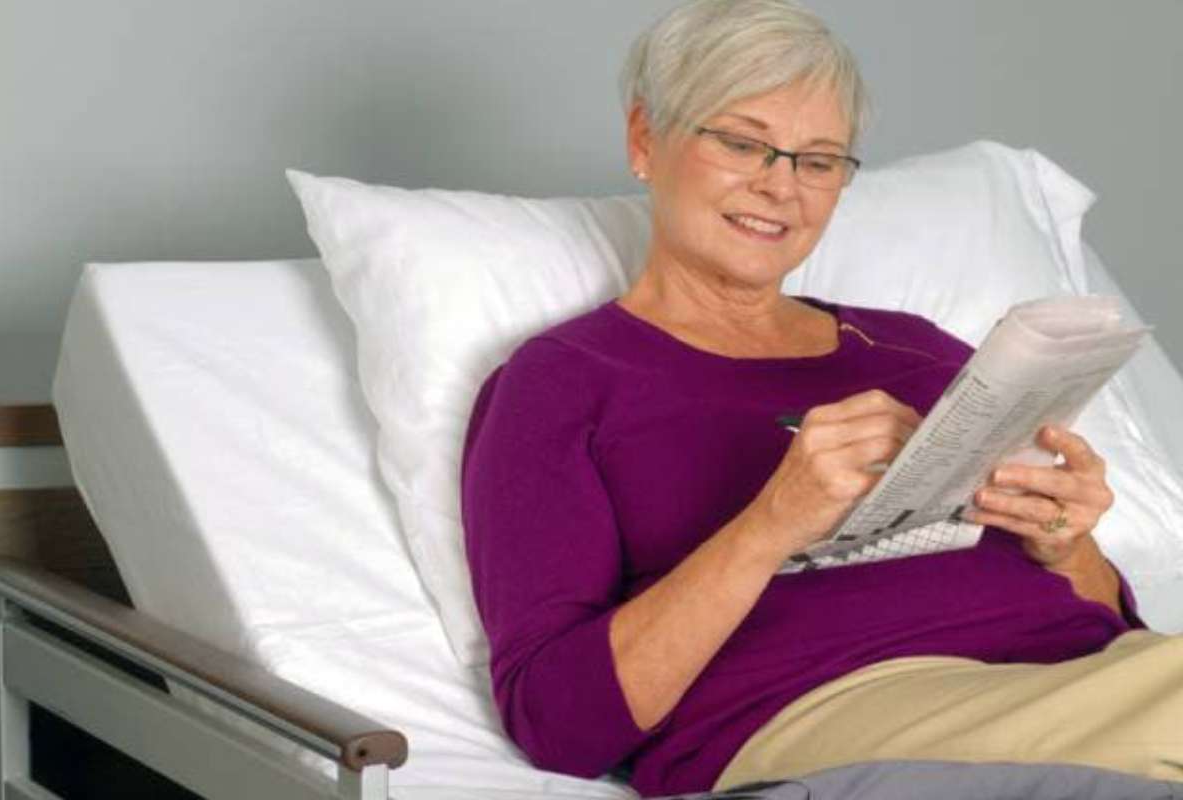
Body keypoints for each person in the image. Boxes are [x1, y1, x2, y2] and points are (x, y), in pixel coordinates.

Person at [459, 0, 1182, 795]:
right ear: (645, 140)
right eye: (741, 143)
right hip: (832, 718)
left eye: (819, 160)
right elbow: (559, 724)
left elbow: (1109, 627)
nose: (780, 187)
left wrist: (1066, 542)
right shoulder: (563, 383)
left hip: (1081, 686)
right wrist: (773, 522)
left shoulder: (915, 349)